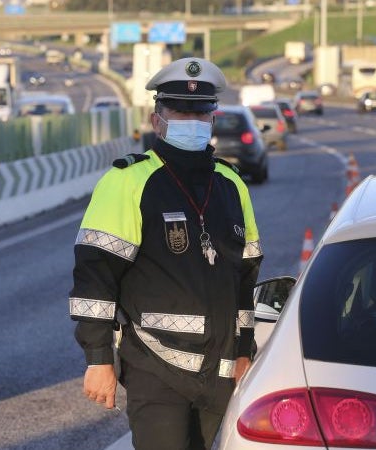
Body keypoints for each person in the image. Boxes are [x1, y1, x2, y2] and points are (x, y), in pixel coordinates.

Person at [68, 57, 263, 450]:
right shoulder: (127, 181)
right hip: (155, 368)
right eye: (179, 110)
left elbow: (245, 279)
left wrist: (245, 350)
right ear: (157, 119)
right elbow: (95, 277)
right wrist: (98, 358)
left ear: (213, 119)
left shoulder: (231, 185)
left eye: (200, 111)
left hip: (223, 374)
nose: (191, 118)